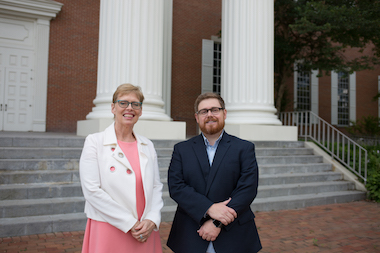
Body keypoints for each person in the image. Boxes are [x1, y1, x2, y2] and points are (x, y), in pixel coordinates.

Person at [167, 92, 262, 253]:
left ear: (224, 113)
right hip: (191, 231)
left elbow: (247, 189)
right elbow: (176, 187)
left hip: (234, 234)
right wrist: (209, 208)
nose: (209, 115)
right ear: (197, 117)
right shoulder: (181, 150)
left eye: (214, 110)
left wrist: (217, 222)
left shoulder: (244, 148)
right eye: (204, 111)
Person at [79, 83, 164, 253]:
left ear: (140, 110)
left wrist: (152, 219)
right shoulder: (95, 142)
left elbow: (156, 187)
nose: (129, 108)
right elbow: (91, 190)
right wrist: (130, 223)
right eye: (123, 103)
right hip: (109, 227)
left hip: (143, 230)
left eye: (135, 104)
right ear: (113, 107)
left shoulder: (147, 145)